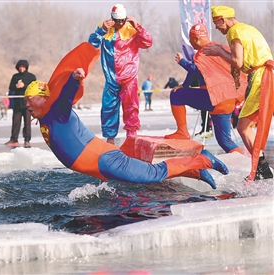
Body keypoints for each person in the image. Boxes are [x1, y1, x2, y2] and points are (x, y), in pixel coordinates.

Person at [23, 68, 229, 189]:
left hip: (105, 160)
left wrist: (74, 79)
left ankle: (204, 159)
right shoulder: (44, 119)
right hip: (99, 167)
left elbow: (66, 96)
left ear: (44, 98)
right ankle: (195, 172)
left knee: (151, 174)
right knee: (148, 176)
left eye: (30, 100)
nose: (27, 105)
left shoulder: (57, 112)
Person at [202, 6, 273, 181]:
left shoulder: (234, 32)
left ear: (223, 19)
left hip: (261, 78)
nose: (217, 28)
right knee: (246, 125)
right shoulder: (248, 28)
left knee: (243, 127)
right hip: (265, 74)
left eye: (216, 23)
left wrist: (219, 52)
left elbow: (237, 61)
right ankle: (261, 168)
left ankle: (262, 170)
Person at [164, 24, 245, 155]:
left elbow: (195, 70)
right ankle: (243, 164)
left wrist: (182, 62)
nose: (191, 44)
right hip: (228, 100)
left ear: (196, 39)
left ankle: (182, 132)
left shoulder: (203, 52)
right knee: (224, 140)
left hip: (214, 99)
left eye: (191, 41)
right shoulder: (222, 48)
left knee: (176, 95)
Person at [88, 3, 153, 144]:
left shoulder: (132, 29)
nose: (119, 24)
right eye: (117, 21)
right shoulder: (105, 28)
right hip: (111, 78)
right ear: (112, 18)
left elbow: (148, 42)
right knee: (108, 108)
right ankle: (110, 139)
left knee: (131, 107)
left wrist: (138, 26)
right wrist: (101, 30)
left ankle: (131, 136)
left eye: (122, 21)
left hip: (129, 77)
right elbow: (92, 45)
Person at [5, 60, 36, 148]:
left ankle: (27, 140)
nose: (22, 68)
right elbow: (10, 87)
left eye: (23, 67)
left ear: (26, 67)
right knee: (16, 122)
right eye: (20, 67)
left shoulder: (31, 76)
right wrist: (16, 86)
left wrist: (24, 85)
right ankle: (14, 139)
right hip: (17, 103)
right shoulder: (15, 76)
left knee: (27, 122)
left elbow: (34, 87)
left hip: (27, 104)